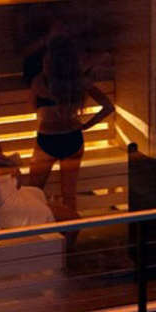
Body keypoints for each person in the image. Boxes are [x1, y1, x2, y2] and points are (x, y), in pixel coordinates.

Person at [22, 29, 113, 221]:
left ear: (49, 59)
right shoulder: (80, 82)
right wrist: (86, 125)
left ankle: (37, 229)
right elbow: (108, 107)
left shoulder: (40, 82)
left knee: (34, 191)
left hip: (47, 140)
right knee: (69, 195)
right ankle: (70, 234)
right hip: (73, 138)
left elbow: (32, 106)